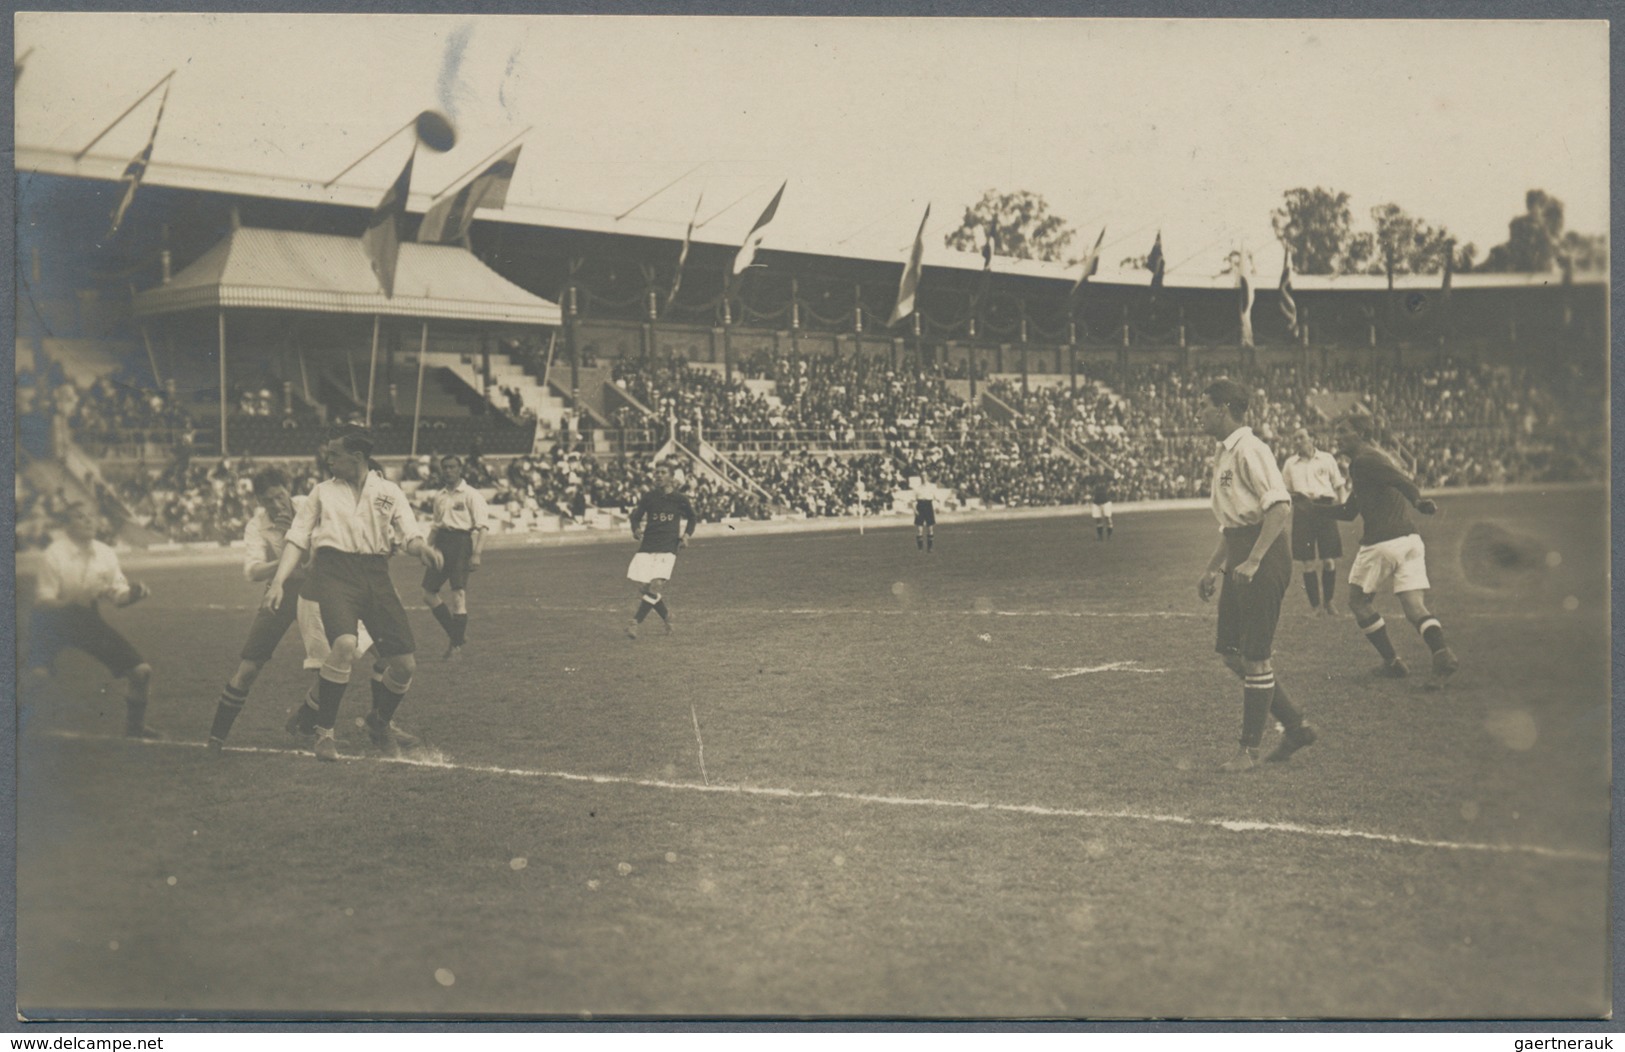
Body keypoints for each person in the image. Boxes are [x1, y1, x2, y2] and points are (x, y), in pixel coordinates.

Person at [263, 426, 443, 761]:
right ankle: (324, 735)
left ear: (356, 457)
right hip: (335, 573)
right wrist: (277, 581)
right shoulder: (322, 492)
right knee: (345, 644)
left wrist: (423, 550)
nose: (328, 459)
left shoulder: (389, 492)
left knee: (404, 665)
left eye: (334, 454)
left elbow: (410, 533)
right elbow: (297, 537)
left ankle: (379, 721)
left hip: (375, 574)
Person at [206, 465, 374, 751]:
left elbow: (324, 553)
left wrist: (294, 534)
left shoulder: (308, 507)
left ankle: (306, 720)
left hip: (320, 590)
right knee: (249, 667)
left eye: (279, 495)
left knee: (339, 657)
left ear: (288, 491)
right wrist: (285, 557)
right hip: (279, 593)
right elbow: (253, 571)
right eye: (268, 499)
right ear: (259, 501)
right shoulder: (256, 526)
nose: (275, 503)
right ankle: (216, 738)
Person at [1195, 378, 1316, 771]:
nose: (1200, 414)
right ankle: (1295, 726)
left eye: (1204, 407)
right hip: (1240, 550)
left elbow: (1279, 509)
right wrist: (1214, 567)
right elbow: (1233, 523)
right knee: (1231, 651)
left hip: (1262, 555)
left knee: (1256, 656)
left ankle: (1247, 751)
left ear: (1225, 409)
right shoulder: (1224, 452)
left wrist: (1253, 560)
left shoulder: (1251, 449)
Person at [1331, 412, 1459, 688]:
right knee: (1415, 607)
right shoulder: (1367, 462)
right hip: (1410, 541)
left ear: (1362, 434)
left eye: (1343, 432)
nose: (1336, 437)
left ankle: (1392, 662)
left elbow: (1402, 481)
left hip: (1382, 542)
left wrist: (1418, 500)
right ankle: (1442, 653)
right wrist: (1312, 510)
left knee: (1358, 602)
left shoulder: (1366, 459)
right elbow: (1349, 510)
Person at [27, 503, 161, 738]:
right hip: (50, 620)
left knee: (141, 672)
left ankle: (135, 729)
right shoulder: (54, 555)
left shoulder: (105, 553)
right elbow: (43, 601)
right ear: (67, 525)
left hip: (85, 617)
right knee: (38, 676)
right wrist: (72, 599)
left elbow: (117, 596)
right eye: (80, 517)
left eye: (92, 516)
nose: (89, 521)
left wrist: (133, 594)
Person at [421, 453, 489, 661]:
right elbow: (435, 526)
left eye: (452, 467)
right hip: (441, 543)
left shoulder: (471, 494)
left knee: (458, 594)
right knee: (428, 593)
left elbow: (482, 527)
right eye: (445, 468)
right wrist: (426, 548)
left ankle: (455, 648)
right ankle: (457, 634)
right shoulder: (440, 496)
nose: (449, 471)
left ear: (460, 470)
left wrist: (476, 553)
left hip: (461, 544)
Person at [1280, 426, 1348, 616]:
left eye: (1301, 437)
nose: (1298, 441)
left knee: (1328, 560)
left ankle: (1329, 602)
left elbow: (1339, 485)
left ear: (1312, 438)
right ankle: (1315, 606)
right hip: (1303, 510)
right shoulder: (1290, 464)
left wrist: (1342, 507)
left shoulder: (1326, 459)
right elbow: (1283, 490)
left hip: (1325, 508)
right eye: (1295, 439)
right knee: (1307, 561)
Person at [626, 462, 697, 639]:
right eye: (656, 472)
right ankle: (667, 616)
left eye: (663, 472)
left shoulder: (680, 499)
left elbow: (692, 518)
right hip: (648, 544)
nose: (658, 475)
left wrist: (686, 536)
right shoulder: (649, 497)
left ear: (672, 477)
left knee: (656, 584)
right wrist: (636, 530)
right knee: (644, 587)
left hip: (668, 546)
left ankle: (635, 623)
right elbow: (635, 517)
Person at [913, 475, 938, 552]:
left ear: (927, 477)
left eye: (925, 476)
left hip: (928, 505)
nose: (923, 477)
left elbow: (936, 498)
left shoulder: (932, 487)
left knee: (930, 528)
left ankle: (930, 548)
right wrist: (915, 510)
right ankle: (920, 548)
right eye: (922, 476)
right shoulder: (917, 488)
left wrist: (937, 507)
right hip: (920, 506)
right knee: (919, 529)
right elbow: (913, 500)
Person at [1088, 471, 1116, 541]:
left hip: (1106, 501)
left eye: (1100, 468)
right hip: (1096, 502)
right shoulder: (1094, 478)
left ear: (1102, 469)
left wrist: (1112, 487)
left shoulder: (1107, 477)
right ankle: (1100, 536)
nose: (1099, 469)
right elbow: (1089, 485)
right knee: (1098, 519)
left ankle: (1109, 536)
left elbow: (1115, 481)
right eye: (1097, 468)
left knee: (1108, 518)